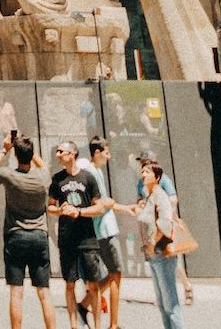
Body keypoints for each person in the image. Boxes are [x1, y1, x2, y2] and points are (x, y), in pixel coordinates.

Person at [0, 133, 55, 329]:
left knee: (16, 292)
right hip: (39, 236)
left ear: (16, 155)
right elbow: (45, 167)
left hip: (16, 235)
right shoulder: (42, 178)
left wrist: (5, 149)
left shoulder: (10, 175)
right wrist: (29, 152)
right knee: (44, 292)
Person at [48, 142, 107, 329]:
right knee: (70, 283)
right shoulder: (57, 179)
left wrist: (79, 212)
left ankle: (97, 325)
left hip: (87, 238)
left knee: (93, 285)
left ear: (72, 154)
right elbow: (50, 206)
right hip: (67, 238)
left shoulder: (88, 178)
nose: (57, 155)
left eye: (61, 151)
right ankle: (74, 325)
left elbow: (99, 207)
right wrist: (59, 210)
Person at [122, 160, 182, 329]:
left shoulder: (160, 195)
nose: (143, 174)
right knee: (162, 304)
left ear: (157, 177)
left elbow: (165, 223)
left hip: (162, 252)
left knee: (171, 304)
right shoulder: (149, 197)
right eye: (142, 172)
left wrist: (152, 243)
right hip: (153, 254)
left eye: (147, 172)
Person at [84, 138, 122, 328]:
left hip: (105, 227)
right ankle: (113, 324)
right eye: (106, 153)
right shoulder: (90, 170)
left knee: (114, 273)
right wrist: (109, 203)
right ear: (97, 153)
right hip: (104, 228)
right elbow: (101, 202)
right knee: (116, 273)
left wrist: (120, 206)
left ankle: (84, 304)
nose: (109, 157)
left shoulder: (96, 171)